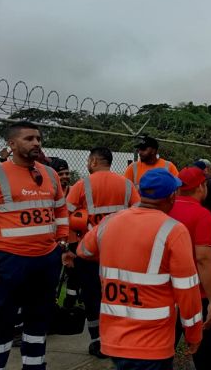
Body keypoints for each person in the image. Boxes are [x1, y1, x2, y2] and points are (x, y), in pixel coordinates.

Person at [0, 121, 69, 370]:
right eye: (29, 138)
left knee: (38, 323)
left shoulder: (50, 174)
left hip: (45, 262)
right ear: (11, 144)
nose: (36, 143)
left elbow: (61, 208)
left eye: (39, 139)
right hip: (9, 261)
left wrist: (61, 242)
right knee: (1, 326)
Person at [76, 168, 202, 369]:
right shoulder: (173, 230)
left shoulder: (110, 221)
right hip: (153, 341)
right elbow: (187, 290)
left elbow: (83, 251)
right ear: (172, 196)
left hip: (114, 338)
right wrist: (193, 332)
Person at [64, 147, 140, 358]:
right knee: (121, 294)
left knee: (92, 296)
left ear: (95, 161)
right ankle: (120, 337)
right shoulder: (126, 185)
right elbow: (139, 212)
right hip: (121, 252)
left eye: (89, 161)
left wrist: (70, 248)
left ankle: (97, 340)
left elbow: (65, 216)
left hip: (90, 252)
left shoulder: (82, 185)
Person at [170, 166, 211, 370]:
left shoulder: (165, 209)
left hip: (166, 293)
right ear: (202, 186)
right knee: (204, 350)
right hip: (196, 294)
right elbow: (203, 259)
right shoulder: (201, 214)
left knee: (165, 348)